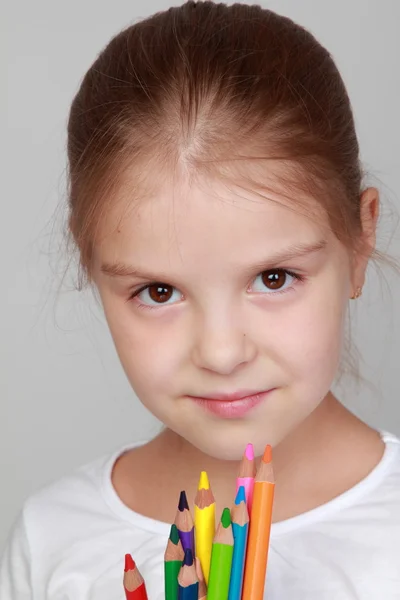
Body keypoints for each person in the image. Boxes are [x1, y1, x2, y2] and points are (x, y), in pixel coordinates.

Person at [1, 1, 399, 598]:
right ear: (89, 264)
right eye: (158, 292)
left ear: (361, 239)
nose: (219, 352)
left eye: (273, 278)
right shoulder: (54, 536)